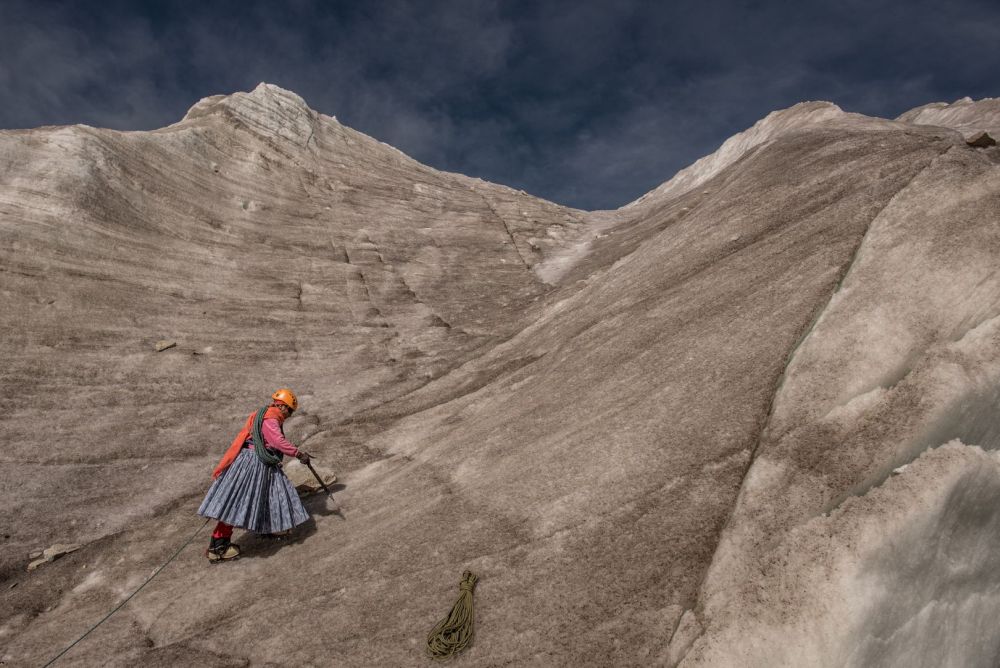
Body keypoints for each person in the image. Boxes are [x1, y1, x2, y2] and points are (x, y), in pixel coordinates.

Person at [198, 388, 312, 562]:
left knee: (270, 494)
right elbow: (277, 441)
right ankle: (218, 546)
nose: (289, 415)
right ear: (283, 407)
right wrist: (298, 453)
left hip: (253, 461)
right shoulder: (271, 418)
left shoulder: (263, 414)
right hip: (255, 463)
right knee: (238, 502)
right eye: (289, 411)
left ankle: (271, 526)